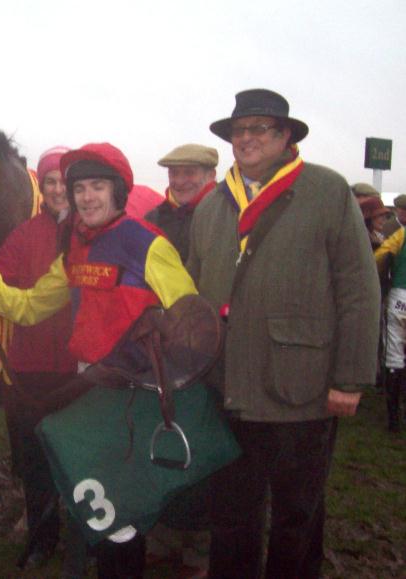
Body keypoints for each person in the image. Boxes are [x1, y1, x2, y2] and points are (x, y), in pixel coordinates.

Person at [0, 142, 197, 579]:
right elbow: (27, 307)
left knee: (124, 511)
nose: (86, 197)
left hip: (136, 396)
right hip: (90, 391)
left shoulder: (148, 245)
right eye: (80, 188)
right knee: (100, 501)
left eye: (97, 187)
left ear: (117, 191)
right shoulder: (76, 250)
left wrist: (149, 364)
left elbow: (189, 323)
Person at [187, 89, 380, 579]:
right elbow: (193, 289)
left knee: (297, 512)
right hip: (226, 385)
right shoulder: (212, 206)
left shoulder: (326, 191)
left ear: (285, 136)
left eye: (259, 128)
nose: (246, 139)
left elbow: (358, 289)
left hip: (302, 385)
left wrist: (350, 378)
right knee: (232, 512)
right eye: (239, 130)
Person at [0, 146, 78, 569]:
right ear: (42, 187)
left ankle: (87, 536)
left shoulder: (92, 231)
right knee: (36, 458)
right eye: (51, 182)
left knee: (80, 455)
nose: (59, 189)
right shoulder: (24, 234)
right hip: (31, 367)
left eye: (65, 181)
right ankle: (42, 537)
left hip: (82, 369)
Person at [144, 143, 217, 579]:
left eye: (191, 172)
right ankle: (164, 535)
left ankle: (199, 547)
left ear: (210, 172)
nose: (182, 180)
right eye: (175, 173)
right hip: (163, 350)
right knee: (165, 434)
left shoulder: (224, 218)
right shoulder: (155, 220)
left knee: (203, 448)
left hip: (209, 349)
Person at [375, 213, 406, 432]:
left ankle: (393, 419)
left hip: (400, 296)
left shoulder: (401, 234)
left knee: (394, 353)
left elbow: (380, 255)